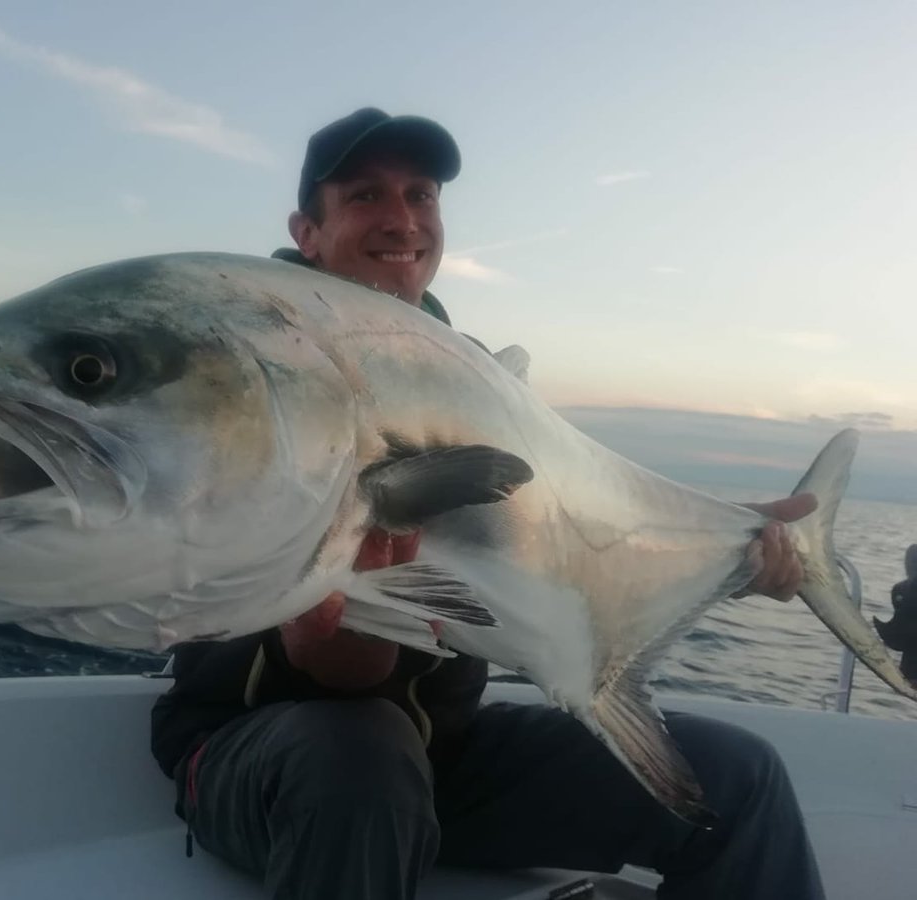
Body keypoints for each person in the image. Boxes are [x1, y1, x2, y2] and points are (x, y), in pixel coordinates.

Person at [151, 107, 826, 900]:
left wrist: (736, 550)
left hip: (444, 750)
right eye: (365, 196)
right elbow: (338, 678)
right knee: (362, 755)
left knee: (740, 779)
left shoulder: (475, 384)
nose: (401, 218)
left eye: (421, 195)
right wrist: (341, 611)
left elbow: (576, 531)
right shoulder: (257, 360)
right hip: (259, 748)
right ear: (307, 230)